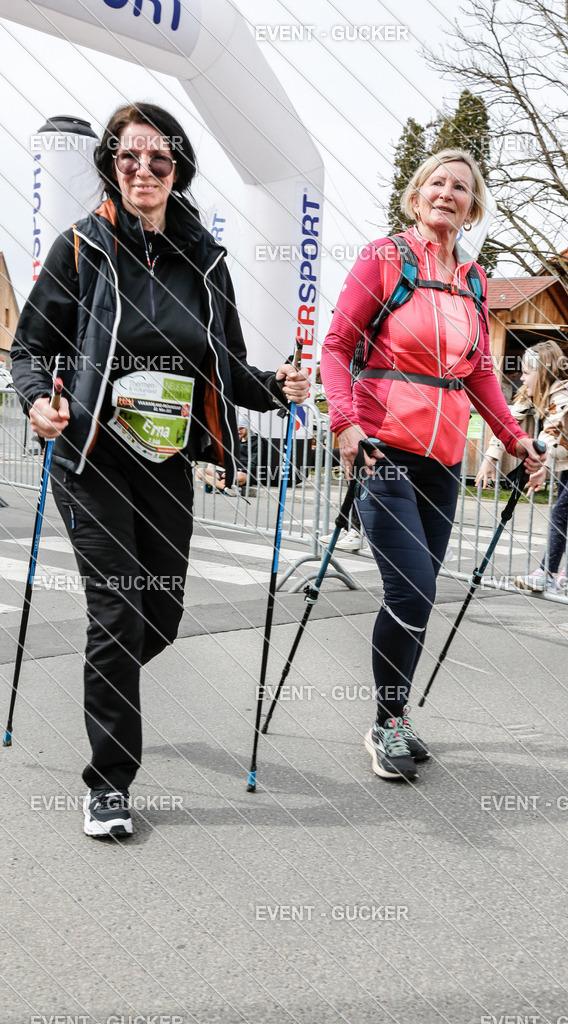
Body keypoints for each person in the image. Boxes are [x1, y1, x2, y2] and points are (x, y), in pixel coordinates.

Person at [11, 102, 308, 838]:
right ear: (110, 165)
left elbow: (229, 367)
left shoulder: (203, 260)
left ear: (178, 172)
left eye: (159, 160)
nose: (142, 170)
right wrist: (36, 405)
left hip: (168, 460)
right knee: (117, 612)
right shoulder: (79, 249)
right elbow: (29, 351)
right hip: (91, 457)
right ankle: (109, 782)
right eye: (128, 158)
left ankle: (105, 680)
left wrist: (279, 386)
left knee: (160, 616)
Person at [320, 148, 543, 782]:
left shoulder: (473, 279)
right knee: (411, 586)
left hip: (443, 460)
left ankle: (394, 713)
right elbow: (336, 345)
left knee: (421, 593)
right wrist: (344, 421)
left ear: (472, 207)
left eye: (461, 188)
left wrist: (514, 436)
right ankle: (387, 722)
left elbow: (476, 371)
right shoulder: (382, 259)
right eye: (437, 184)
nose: (448, 194)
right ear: (416, 197)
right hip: (383, 448)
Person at [475, 339, 568, 593]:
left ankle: (548, 574)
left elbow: (550, 432)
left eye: (526, 373)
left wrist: (542, 465)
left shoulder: (565, 393)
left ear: (542, 373)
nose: (521, 378)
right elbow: (509, 422)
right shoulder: (532, 393)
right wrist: (491, 457)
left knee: (560, 514)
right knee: (562, 514)